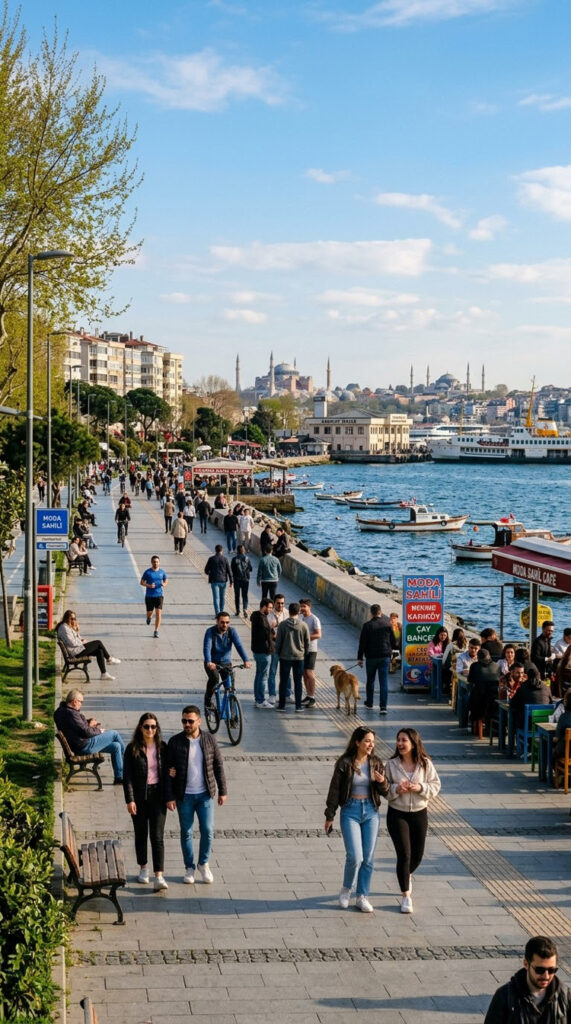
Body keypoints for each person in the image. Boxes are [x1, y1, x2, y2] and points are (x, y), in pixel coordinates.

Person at [324, 727, 389, 914]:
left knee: (368, 858)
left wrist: (381, 781)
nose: (371, 745)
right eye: (367, 741)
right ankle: (346, 889)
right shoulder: (344, 763)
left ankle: (362, 896)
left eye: (373, 742)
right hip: (350, 810)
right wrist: (330, 815)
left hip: (371, 811)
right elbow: (334, 790)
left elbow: (385, 792)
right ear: (357, 742)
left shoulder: (376, 763)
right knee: (355, 856)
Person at [166, 705, 227, 885]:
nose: (187, 724)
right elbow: (167, 770)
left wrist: (223, 790)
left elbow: (218, 765)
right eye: (184, 721)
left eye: (190, 721)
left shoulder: (209, 740)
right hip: (184, 796)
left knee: (207, 831)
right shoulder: (175, 742)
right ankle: (189, 867)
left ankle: (203, 864)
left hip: (204, 795)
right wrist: (169, 796)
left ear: (199, 721)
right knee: (186, 832)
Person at [384, 728, 441, 914]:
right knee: (405, 854)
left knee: (417, 855)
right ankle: (406, 896)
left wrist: (420, 787)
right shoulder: (391, 764)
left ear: (413, 743)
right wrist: (395, 789)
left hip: (419, 813)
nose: (400, 744)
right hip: (397, 814)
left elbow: (435, 785)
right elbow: (383, 789)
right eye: (398, 740)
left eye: (404, 740)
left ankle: (406, 873)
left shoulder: (425, 764)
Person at [123, 713, 169, 891]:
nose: (150, 730)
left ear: (157, 729)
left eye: (153, 726)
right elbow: (127, 777)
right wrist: (130, 799)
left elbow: (170, 769)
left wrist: (171, 775)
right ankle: (143, 868)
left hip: (158, 796)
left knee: (157, 837)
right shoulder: (132, 748)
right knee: (141, 834)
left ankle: (159, 875)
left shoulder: (162, 748)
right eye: (146, 726)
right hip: (140, 797)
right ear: (140, 728)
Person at [484, 935, 570, 1023]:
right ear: (526, 964)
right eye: (540, 970)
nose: (546, 976)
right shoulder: (504, 996)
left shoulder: (565, 996)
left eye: (552, 970)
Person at [54, 689, 125, 783]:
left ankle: (119, 777)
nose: (81, 704)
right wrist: (99, 731)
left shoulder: (61, 711)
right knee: (114, 734)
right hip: (85, 746)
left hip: (79, 744)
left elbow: (76, 727)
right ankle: (129, 763)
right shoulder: (71, 713)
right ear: (75, 701)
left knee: (116, 746)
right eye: (81, 702)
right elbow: (85, 732)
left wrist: (88, 723)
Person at [357, 604, 397, 716]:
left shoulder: (367, 625)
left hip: (371, 657)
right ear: (380, 612)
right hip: (384, 657)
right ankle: (383, 707)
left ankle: (369, 703)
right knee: (383, 681)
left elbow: (362, 643)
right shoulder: (387, 625)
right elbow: (394, 642)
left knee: (370, 680)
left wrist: (360, 658)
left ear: (371, 613)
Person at [57, 610, 120, 680]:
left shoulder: (68, 627)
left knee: (99, 650)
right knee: (98, 642)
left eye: (74, 618)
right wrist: (82, 642)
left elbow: (75, 639)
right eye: (71, 618)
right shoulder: (64, 628)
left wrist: (77, 632)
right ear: (66, 618)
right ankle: (109, 659)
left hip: (78, 649)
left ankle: (104, 674)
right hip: (75, 652)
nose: (73, 620)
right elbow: (72, 643)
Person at [203, 612, 251, 706]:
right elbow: (207, 648)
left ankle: (232, 714)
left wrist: (246, 660)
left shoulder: (231, 631)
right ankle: (208, 699)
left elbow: (239, 645)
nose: (225, 625)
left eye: (227, 622)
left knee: (230, 687)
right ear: (217, 621)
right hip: (212, 662)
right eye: (222, 622)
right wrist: (209, 661)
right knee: (214, 679)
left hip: (226, 662)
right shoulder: (210, 631)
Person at [275, 602, 310, 712]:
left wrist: (279, 653)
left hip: (285, 657)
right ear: (299, 612)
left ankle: (281, 705)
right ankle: (298, 706)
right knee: (298, 682)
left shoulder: (282, 625)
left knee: (283, 681)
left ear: (289, 611)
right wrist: (304, 653)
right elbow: (307, 642)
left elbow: (278, 642)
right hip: (299, 657)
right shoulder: (303, 625)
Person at [510, 664, 552, 731]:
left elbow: (512, 704)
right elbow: (551, 703)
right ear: (539, 676)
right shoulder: (546, 688)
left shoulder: (523, 687)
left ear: (527, 676)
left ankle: (512, 737)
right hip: (543, 725)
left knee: (515, 715)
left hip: (526, 725)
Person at [467, 649, 501, 730]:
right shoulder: (497, 666)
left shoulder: (474, 666)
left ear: (478, 658)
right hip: (494, 700)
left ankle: (471, 722)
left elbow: (470, 680)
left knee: (468, 696)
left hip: (478, 701)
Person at [250, 599, 274, 708]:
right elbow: (266, 634)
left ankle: (258, 699)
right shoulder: (261, 618)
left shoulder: (255, 616)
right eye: (269, 607)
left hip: (257, 650)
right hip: (263, 651)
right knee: (263, 676)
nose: (270, 610)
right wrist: (272, 630)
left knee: (259, 674)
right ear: (263, 606)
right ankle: (260, 700)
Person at [299, 597, 321, 708]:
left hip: (311, 649)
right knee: (304, 673)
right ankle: (308, 694)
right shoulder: (302, 619)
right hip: (302, 650)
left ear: (309, 607)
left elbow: (318, 634)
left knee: (309, 673)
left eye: (304, 606)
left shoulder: (314, 619)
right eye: (301, 606)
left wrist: (306, 638)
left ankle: (312, 696)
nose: (302, 608)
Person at [140, 555, 168, 638]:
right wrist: (148, 585)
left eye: (157, 562)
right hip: (149, 596)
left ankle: (156, 631)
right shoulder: (147, 572)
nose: (156, 563)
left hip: (159, 595)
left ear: (159, 562)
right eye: (154, 562)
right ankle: (149, 618)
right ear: (151, 562)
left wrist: (164, 584)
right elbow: (141, 582)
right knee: (150, 613)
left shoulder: (162, 572)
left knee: (159, 614)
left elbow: (166, 581)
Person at [267, 594, 288, 704]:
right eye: (278, 603)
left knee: (286, 671)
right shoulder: (269, 615)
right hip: (274, 645)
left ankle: (288, 694)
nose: (280, 605)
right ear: (274, 603)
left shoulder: (287, 613)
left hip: (285, 645)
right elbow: (267, 631)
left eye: (282, 603)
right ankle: (272, 694)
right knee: (272, 671)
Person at [204, 545, 233, 616]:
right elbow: (229, 571)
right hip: (223, 580)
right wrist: (231, 581)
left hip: (214, 580)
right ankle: (222, 611)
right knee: (222, 597)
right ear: (221, 550)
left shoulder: (211, 559)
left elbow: (206, 570)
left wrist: (210, 573)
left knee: (216, 598)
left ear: (215, 550)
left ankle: (217, 613)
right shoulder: (225, 559)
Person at [231, 544, 252, 618]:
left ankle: (237, 610)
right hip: (245, 580)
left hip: (237, 579)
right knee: (245, 595)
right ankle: (245, 609)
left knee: (237, 595)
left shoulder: (234, 559)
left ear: (237, 551)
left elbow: (232, 569)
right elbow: (251, 568)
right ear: (243, 550)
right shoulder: (247, 558)